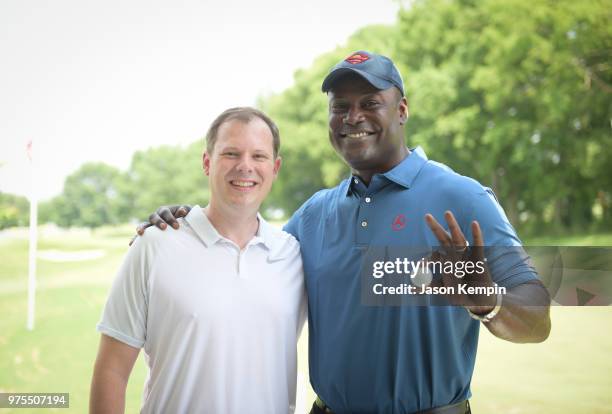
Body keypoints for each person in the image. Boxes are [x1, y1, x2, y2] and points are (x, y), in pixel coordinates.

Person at [138, 51, 551, 414]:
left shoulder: (463, 198)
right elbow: (246, 254)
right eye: (340, 107)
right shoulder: (314, 215)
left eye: (371, 103)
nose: (353, 117)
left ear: (402, 110)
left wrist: (487, 301)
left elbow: (538, 318)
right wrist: (190, 222)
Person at [90, 107, 307, 413]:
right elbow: (111, 371)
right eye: (231, 154)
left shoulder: (293, 255)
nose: (245, 166)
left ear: (276, 167)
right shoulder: (154, 246)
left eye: (259, 156)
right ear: (207, 162)